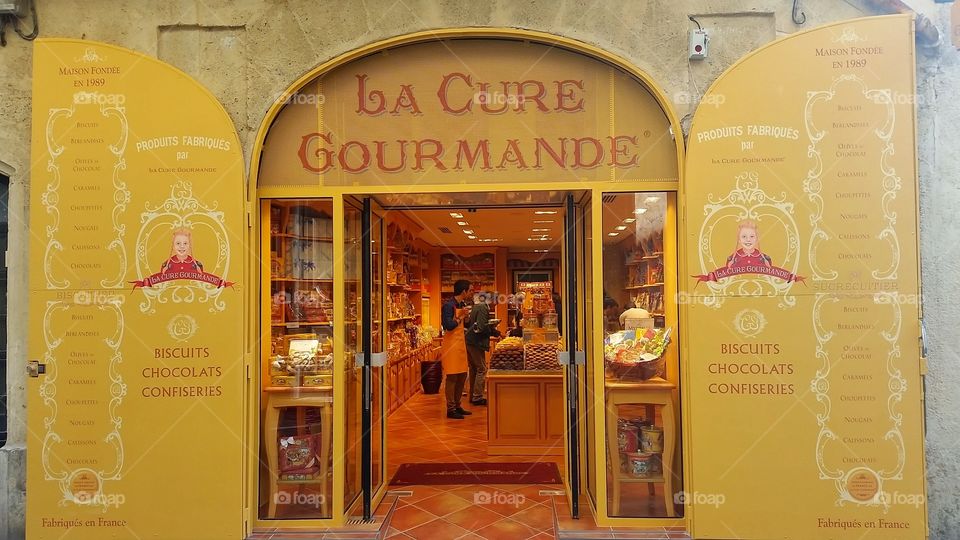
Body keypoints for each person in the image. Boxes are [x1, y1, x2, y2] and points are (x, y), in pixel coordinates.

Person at [440, 279, 472, 419]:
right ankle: (451, 408)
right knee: (452, 376)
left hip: (460, 344)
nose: (471, 293)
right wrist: (460, 318)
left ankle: (458, 405)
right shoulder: (448, 306)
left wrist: (467, 317)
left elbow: (466, 324)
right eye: (470, 290)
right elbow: (448, 325)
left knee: (462, 375)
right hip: (451, 344)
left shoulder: (461, 304)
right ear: (463, 291)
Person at [464, 292, 501, 406]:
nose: (495, 305)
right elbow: (481, 327)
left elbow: (476, 324)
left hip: (470, 340)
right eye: (496, 303)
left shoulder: (478, 306)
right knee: (482, 368)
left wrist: (493, 330)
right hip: (476, 342)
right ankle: (477, 397)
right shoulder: (483, 308)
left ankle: (473, 396)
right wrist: (494, 330)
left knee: (474, 368)